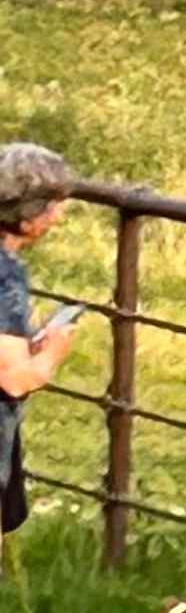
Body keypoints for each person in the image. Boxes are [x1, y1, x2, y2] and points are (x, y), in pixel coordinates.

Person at [0, 143, 81, 542]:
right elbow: (13, 378)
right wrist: (51, 352)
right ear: (28, 213)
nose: (59, 217)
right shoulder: (4, 275)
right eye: (54, 205)